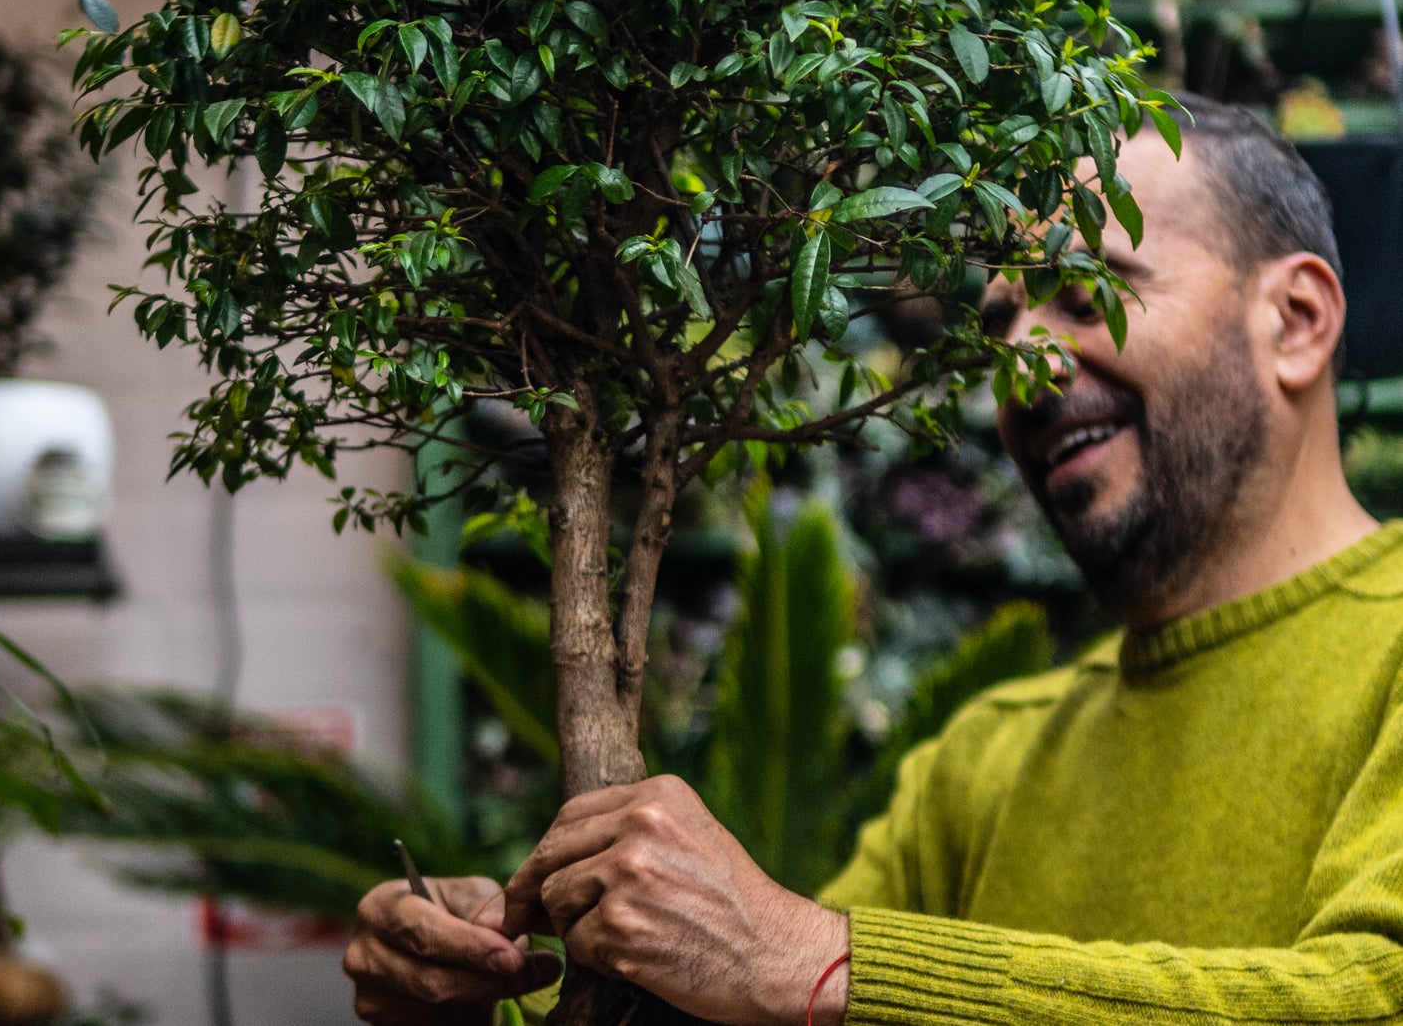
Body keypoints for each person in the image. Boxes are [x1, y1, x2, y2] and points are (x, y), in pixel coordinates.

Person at [345, 97, 1403, 1025]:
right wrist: (489, 991)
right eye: (1000, 325)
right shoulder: (985, 760)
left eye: (1085, 294)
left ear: (1295, 319)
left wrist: (817, 958)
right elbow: (746, 985)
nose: (1024, 371)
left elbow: (1370, 996)